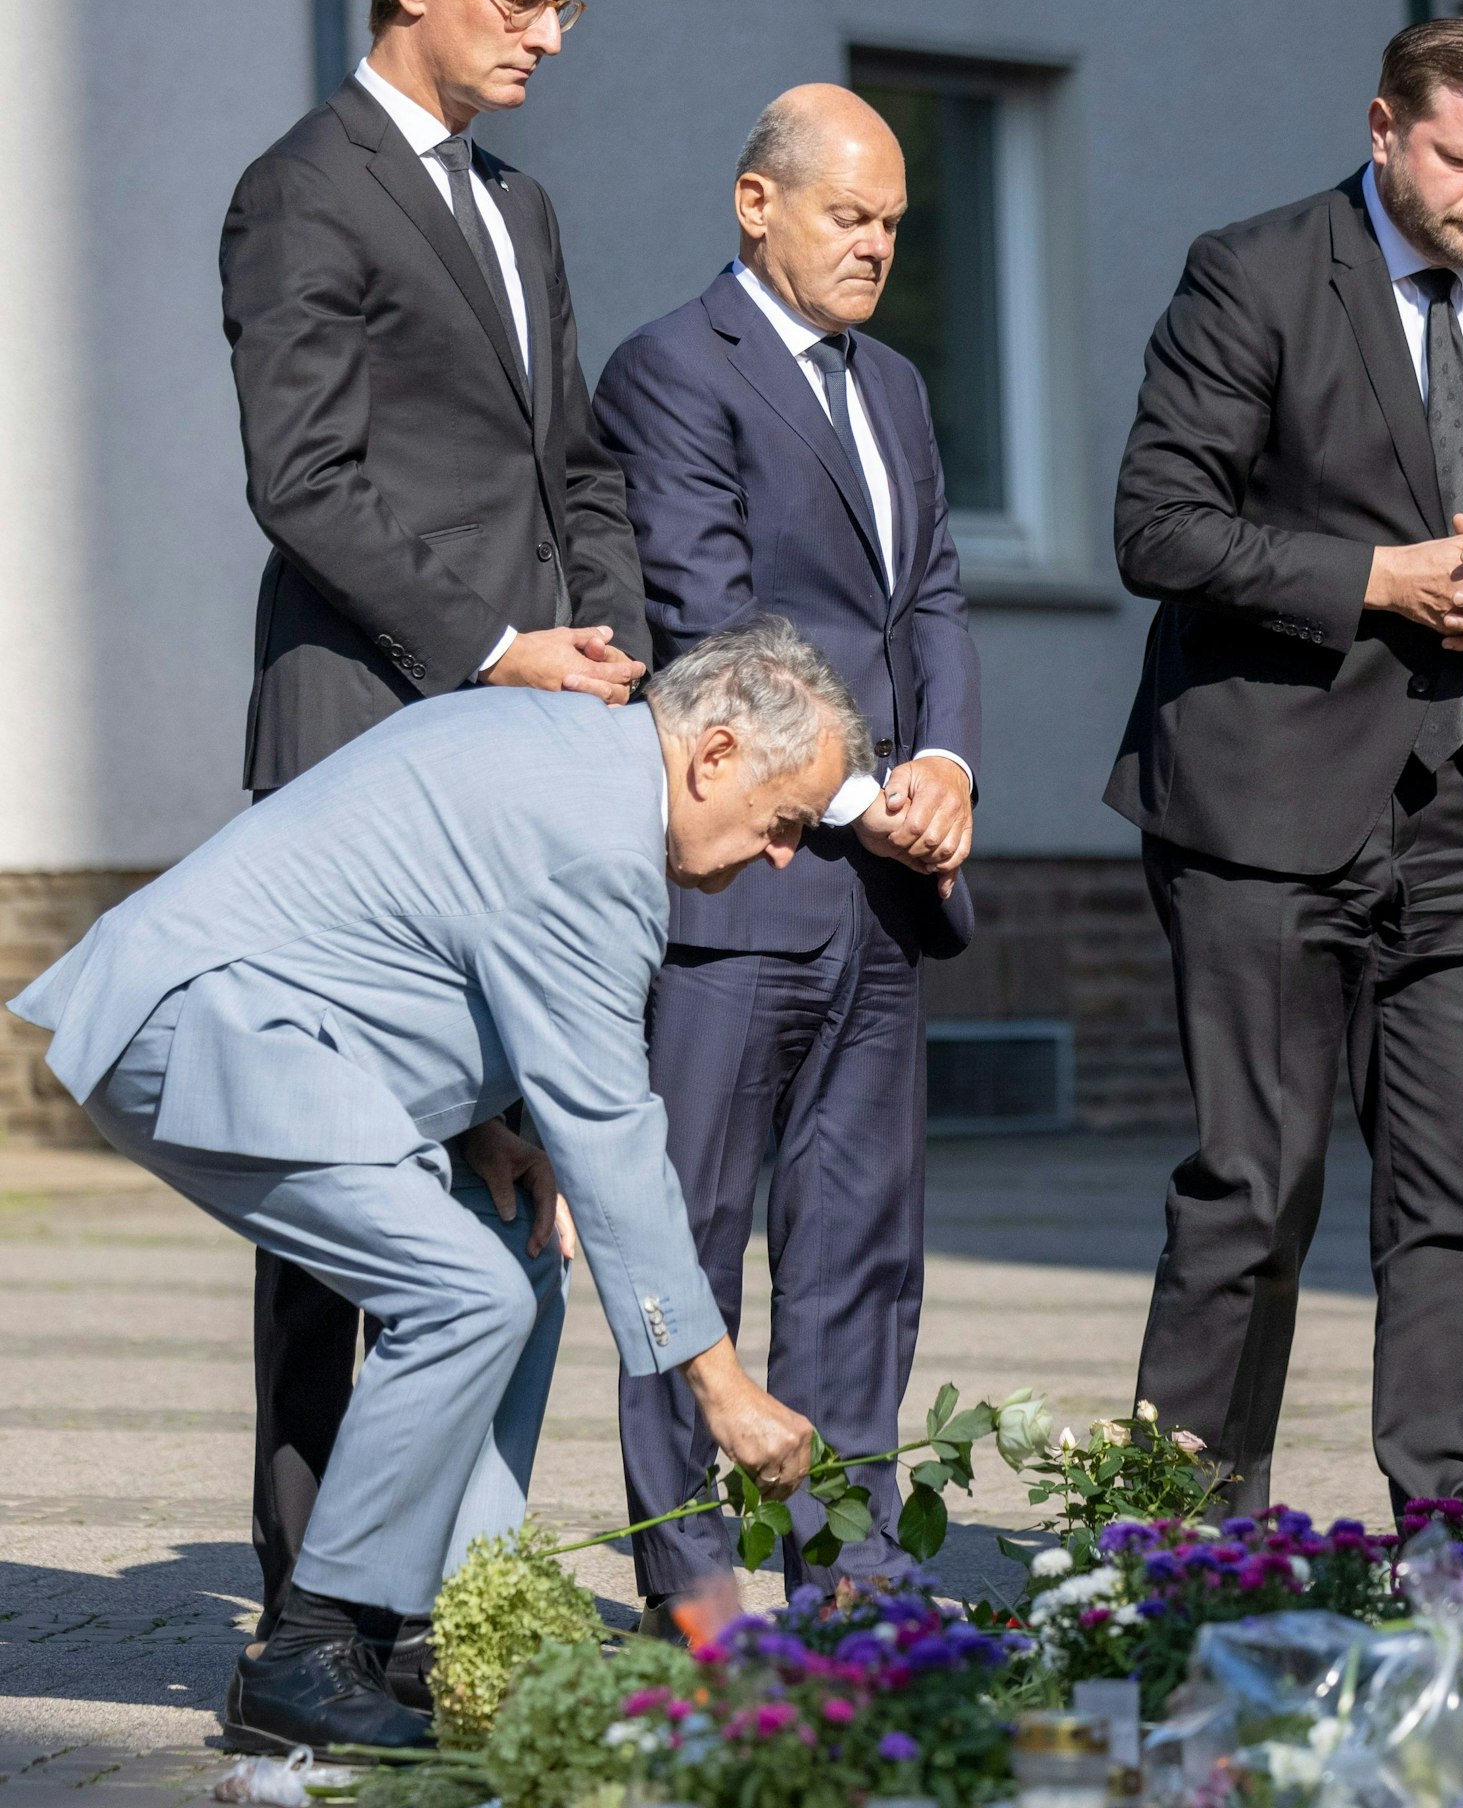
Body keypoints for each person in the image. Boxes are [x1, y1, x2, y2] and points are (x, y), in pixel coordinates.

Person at [9, 620, 866, 1751]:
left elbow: (398, 927)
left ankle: (438, 1625)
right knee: (465, 1290)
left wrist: (476, 1135)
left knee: (516, 1246)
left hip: (275, 1022)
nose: (779, 856)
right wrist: (721, 1387)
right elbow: (611, 1128)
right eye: (784, 821)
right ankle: (309, 1649)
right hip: (202, 1024)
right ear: (712, 755)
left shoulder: (569, 753)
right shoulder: (598, 840)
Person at [1106, 17, 1463, 1516]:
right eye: (1462, 160)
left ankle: (1450, 1536)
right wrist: (1382, 579)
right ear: (1382, 130)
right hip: (1262, 803)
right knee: (1255, 1186)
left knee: (1460, 1199)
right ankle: (1187, 1550)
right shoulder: (1256, 273)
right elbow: (1158, 524)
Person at [219, 0, 649, 1659]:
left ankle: (435, 1595)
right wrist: (490, 651)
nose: (548, 35)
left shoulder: (520, 205)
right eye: (519, 0)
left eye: (564, 6)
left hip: (527, 744)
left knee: (499, 1171)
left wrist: (612, 654)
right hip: (365, 744)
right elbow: (300, 479)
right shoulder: (299, 193)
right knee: (339, 1196)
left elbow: (579, 470)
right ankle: (316, 1629)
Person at [592, 84, 980, 1618]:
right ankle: (693, 1593)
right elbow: (705, 613)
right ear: (757, 204)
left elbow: (932, 592)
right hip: (741, 882)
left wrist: (943, 766)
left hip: (889, 890)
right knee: (690, 1243)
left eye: (894, 223)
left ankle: (847, 1581)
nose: (878, 246)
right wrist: (854, 787)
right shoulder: (674, 371)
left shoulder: (892, 384)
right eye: (849, 216)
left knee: (861, 1257)